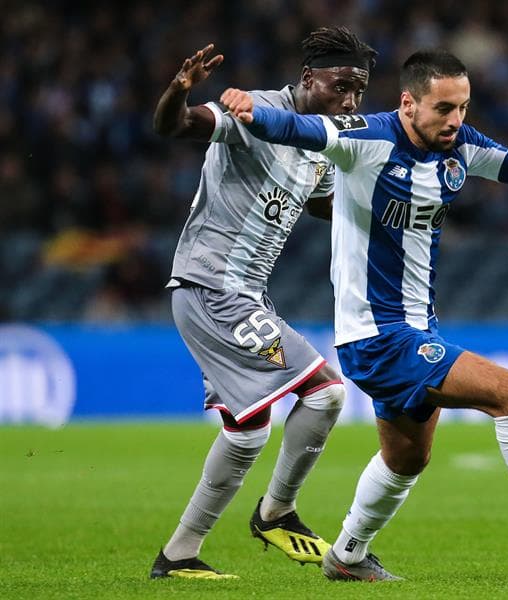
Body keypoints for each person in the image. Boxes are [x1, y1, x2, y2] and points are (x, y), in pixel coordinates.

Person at [221, 49, 508, 581]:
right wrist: (252, 108)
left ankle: (345, 556)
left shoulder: (461, 147)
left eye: (463, 107)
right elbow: (302, 128)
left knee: (407, 458)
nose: (456, 120)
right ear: (409, 103)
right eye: (444, 108)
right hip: (375, 335)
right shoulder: (366, 138)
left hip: (416, 329)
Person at [148, 27, 377, 580]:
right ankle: (276, 512)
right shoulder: (258, 112)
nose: (349, 101)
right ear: (307, 79)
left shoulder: (320, 136)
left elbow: (318, 202)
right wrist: (180, 88)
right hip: (212, 289)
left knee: (246, 431)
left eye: (359, 90)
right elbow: (173, 126)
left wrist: (373, 212)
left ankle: (178, 556)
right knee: (324, 393)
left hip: (241, 294)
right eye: (339, 85)